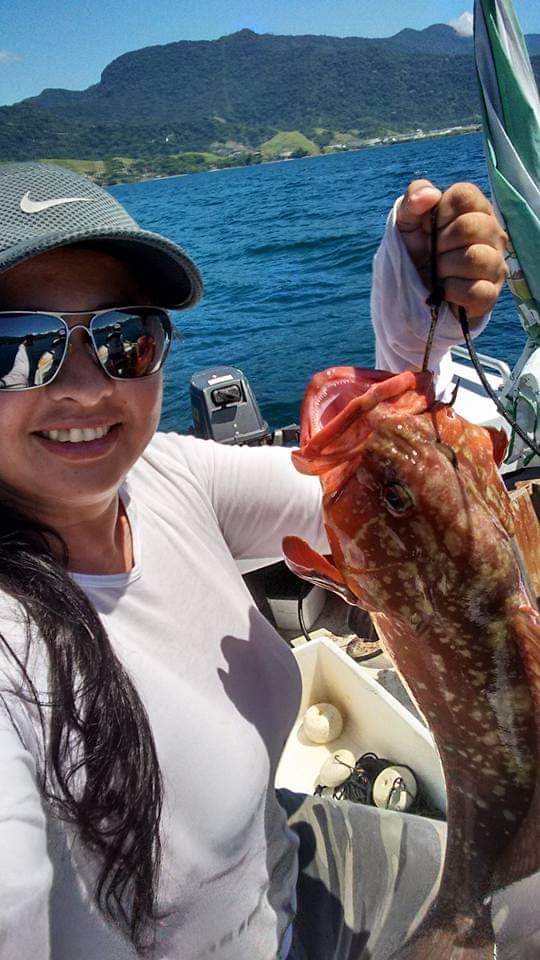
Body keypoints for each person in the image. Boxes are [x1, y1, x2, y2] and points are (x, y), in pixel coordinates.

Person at [0, 161, 511, 960]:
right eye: (19, 348)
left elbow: (379, 501)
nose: (87, 387)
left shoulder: (165, 474)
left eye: (123, 338)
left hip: (293, 873)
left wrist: (408, 341)